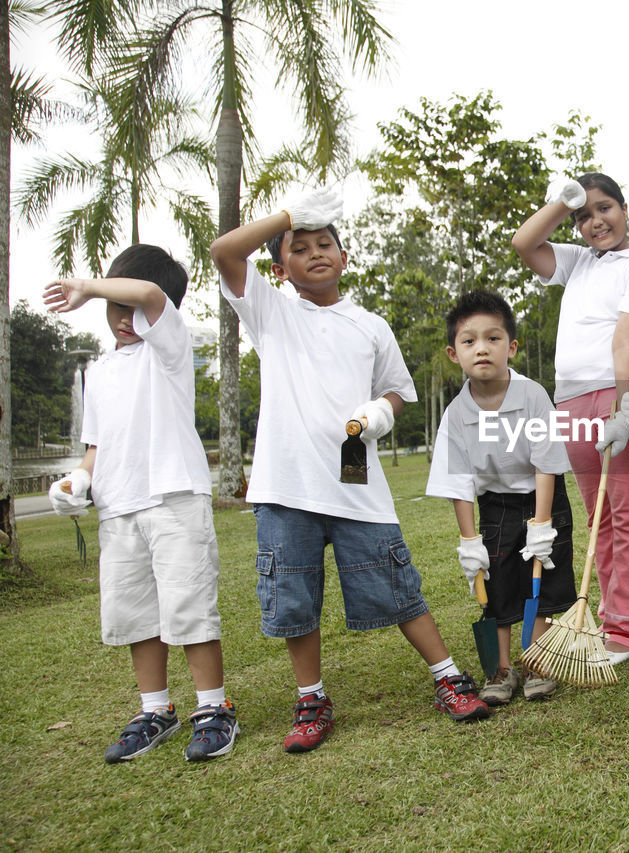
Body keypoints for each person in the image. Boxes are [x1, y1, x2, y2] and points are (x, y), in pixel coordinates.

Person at [210, 185, 489, 753]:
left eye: (325, 243)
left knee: (396, 580)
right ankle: (311, 698)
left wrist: (381, 412)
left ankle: (448, 678)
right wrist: (290, 215)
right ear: (280, 267)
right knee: (293, 597)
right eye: (299, 247)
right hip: (285, 485)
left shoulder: (370, 324)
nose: (314, 252)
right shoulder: (271, 312)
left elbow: (397, 391)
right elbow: (223, 252)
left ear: (345, 257)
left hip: (355, 479)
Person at [43, 245, 237, 764]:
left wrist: (91, 287)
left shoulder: (166, 348)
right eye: (115, 309)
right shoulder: (98, 372)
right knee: (136, 615)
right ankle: (155, 709)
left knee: (189, 608)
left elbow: (149, 294)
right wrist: (76, 483)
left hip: (173, 497)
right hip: (118, 507)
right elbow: (94, 448)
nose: (125, 319)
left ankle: (213, 708)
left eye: (130, 309)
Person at [512, 173, 629, 665]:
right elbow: (524, 242)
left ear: (624, 207)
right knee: (599, 517)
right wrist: (560, 202)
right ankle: (613, 612)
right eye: (583, 215)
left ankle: (626, 628)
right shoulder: (576, 262)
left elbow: (625, 342)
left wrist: (625, 407)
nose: (596, 222)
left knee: (626, 515)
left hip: (614, 397)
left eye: (604, 209)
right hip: (570, 402)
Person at [425, 290, 576, 704]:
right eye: (469, 341)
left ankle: (537, 664)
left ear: (510, 347)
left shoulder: (532, 396)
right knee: (497, 585)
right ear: (454, 353)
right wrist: (469, 541)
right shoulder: (456, 414)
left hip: (542, 497)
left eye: (493, 339)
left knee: (538, 581)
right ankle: (502, 668)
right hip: (495, 505)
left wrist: (542, 525)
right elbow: (459, 483)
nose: (482, 349)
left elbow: (546, 462)